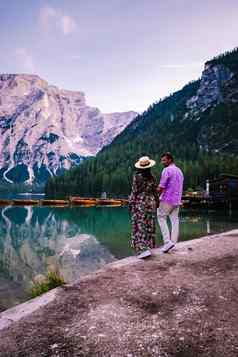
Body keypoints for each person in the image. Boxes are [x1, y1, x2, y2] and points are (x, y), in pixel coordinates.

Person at [129, 156, 159, 259]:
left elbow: (134, 191)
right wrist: (157, 202)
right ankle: (149, 247)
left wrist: (131, 203)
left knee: (139, 225)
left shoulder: (137, 177)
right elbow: (155, 192)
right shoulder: (152, 177)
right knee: (149, 224)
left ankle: (143, 249)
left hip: (140, 203)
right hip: (151, 203)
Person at [157, 152, 184, 253]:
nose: (162, 162)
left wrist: (153, 194)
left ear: (170, 160)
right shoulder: (179, 171)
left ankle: (167, 242)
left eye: (164, 160)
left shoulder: (166, 170)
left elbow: (161, 187)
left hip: (167, 199)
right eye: (162, 160)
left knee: (161, 217)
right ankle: (173, 243)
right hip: (177, 200)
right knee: (174, 221)